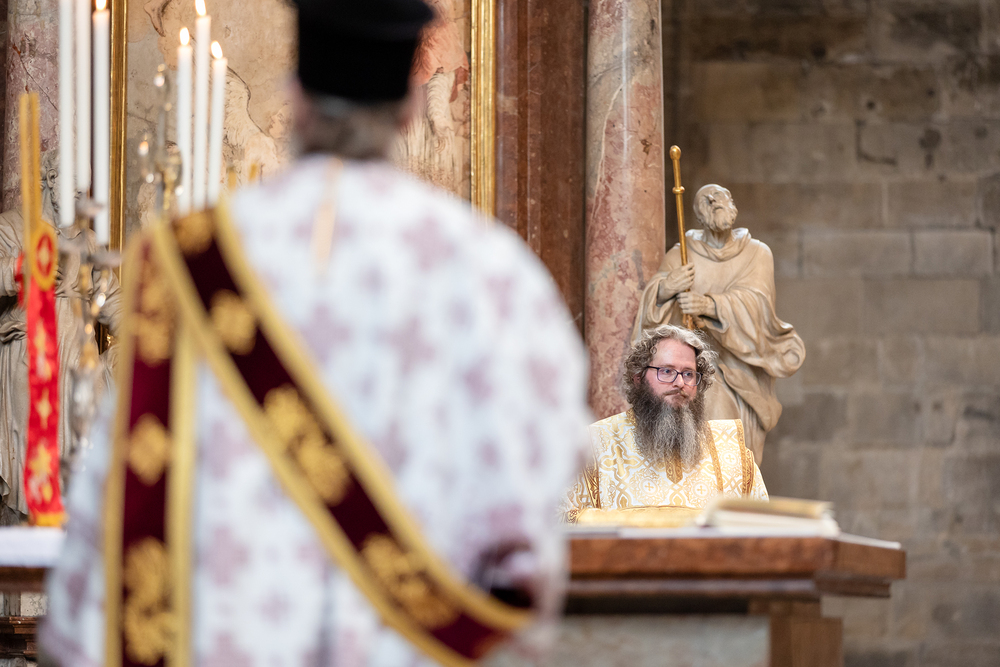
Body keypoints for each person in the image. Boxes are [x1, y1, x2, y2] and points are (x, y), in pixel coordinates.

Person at [41, 0, 591, 665]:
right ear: (410, 108)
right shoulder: (494, 273)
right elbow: (530, 515)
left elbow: (121, 504)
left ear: (297, 100)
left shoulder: (184, 263)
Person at [630, 184, 805, 463]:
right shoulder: (682, 254)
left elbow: (758, 309)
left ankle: (724, 489)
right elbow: (649, 322)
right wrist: (665, 289)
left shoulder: (757, 253)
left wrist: (709, 305)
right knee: (704, 419)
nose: (714, 201)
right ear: (698, 215)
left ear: (732, 204)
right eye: (706, 200)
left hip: (736, 369)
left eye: (720, 197)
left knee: (727, 438)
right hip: (691, 369)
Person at [0, 149, 121, 522]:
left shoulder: (87, 242)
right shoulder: (13, 226)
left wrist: (139, 335)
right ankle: (27, 539)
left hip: (78, 354)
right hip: (30, 351)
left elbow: (114, 298)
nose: (78, 198)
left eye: (82, 191)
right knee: (35, 448)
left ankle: (72, 531)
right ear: (50, 180)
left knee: (81, 444)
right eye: (72, 189)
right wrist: (20, 268)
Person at [566, 325, 766, 520]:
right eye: (667, 371)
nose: (680, 383)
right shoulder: (595, 444)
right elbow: (561, 517)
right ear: (638, 377)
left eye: (688, 374)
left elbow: (763, 525)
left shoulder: (732, 452)